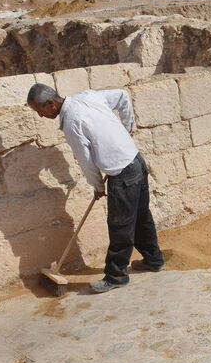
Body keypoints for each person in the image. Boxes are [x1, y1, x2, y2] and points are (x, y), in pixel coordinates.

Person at [26, 84, 164, 294]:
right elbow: (122, 96)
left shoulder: (72, 122)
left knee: (120, 225)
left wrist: (98, 186)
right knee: (141, 216)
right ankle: (154, 260)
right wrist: (128, 129)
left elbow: (86, 161)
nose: (41, 116)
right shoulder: (87, 96)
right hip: (137, 161)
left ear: (51, 104)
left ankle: (116, 276)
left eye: (39, 111)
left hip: (122, 174)